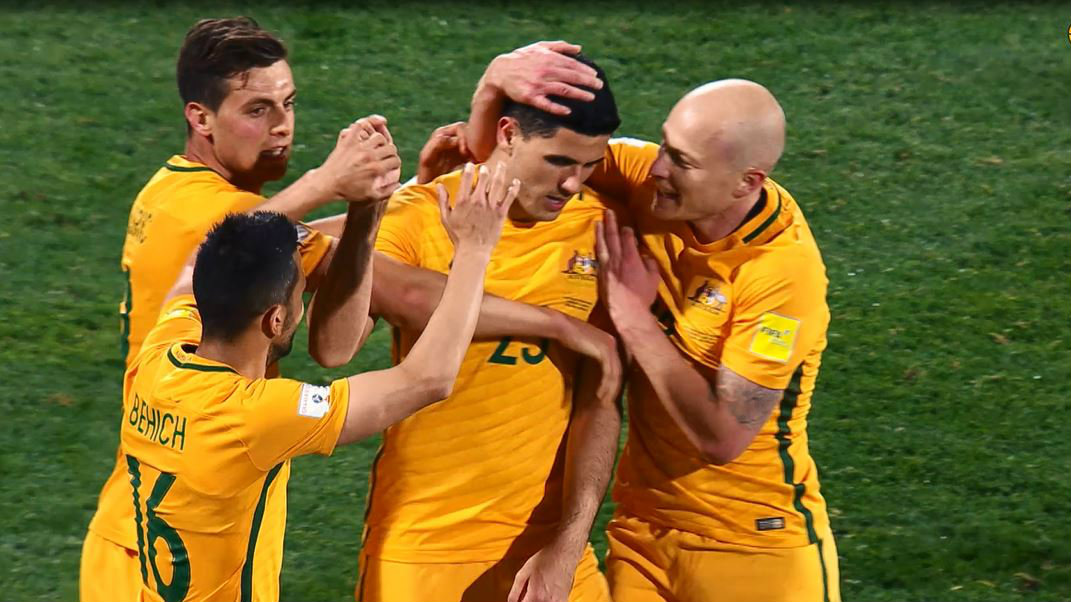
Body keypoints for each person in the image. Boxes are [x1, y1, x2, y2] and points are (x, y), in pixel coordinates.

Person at [464, 48, 841, 602]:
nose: (657, 167)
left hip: (753, 549)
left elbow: (722, 436)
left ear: (746, 181)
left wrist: (634, 319)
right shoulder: (652, 183)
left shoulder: (781, 275)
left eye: (682, 162)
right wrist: (492, 83)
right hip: (641, 537)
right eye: (666, 144)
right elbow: (515, 163)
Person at [81, 16, 400, 602]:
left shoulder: (167, 190)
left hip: (148, 515)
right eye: (257, 110)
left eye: (289, 104)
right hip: (180, 534)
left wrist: (371, 206)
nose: (282, 127)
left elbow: (333, 345)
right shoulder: (207, 222)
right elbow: (392, 301)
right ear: (199, 118)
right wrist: (332, 180)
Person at [116, 160, 518, 602]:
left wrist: (370, 208)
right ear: (275, 321)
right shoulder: (251, 417)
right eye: (301, 293)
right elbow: (428, 378)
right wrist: (475, 251)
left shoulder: (157, 357)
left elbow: (191, 272)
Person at [350, 49, 623, 602]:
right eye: (557, 162)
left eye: (589, 166)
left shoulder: (599, 228)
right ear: (508, 133)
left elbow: (602, 400)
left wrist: (569, 546)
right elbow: (390, 288)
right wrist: (557, 325)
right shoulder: (428, 213)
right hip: (425, 546)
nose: (573, 184)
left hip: (546, 552)